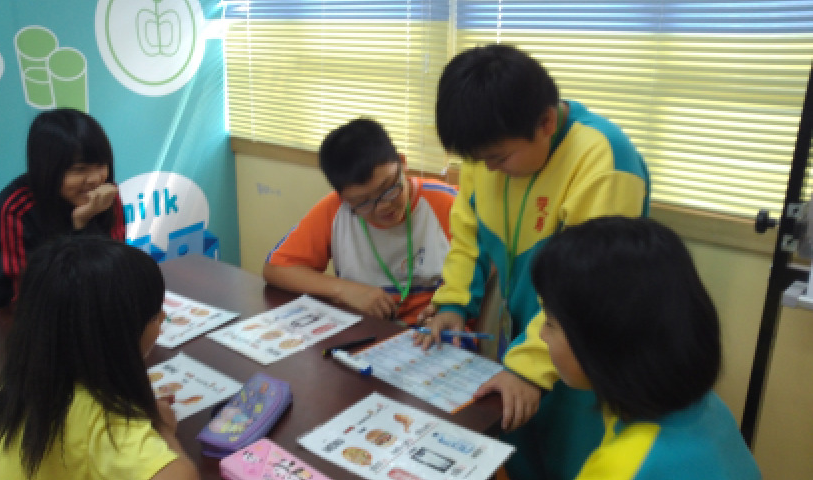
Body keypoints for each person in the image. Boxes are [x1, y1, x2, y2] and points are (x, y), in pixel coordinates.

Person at [415, 44, 650, 478]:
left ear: (545, 123)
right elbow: (468, 235)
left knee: (576, 465)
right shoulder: (491, 148)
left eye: (498, 158)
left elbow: (587, 289)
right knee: (517, 456)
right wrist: (453, 303)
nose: (487, 169)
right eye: (478, 161)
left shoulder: (602, 158)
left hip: (583, 359)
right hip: (524, 345)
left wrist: (528, 370)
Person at [531, 216, 761, 479]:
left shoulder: (620, 469)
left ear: (603, 343)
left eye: (550, 323)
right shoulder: (709, 408)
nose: (542, 334)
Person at [0, 235, 198, 480]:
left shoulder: (25, 377)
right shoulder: (105, 418)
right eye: (155, 316)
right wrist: (163, 429)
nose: (162, 320)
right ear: (117, 337)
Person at [262, 118, 457, 325]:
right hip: (369, 330)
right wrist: (343, 290)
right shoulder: (336, 210)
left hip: (437, 331)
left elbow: (479, 276)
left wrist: (452, 312)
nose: (382, 207)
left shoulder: (448, 204)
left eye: (389, 189)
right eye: (363, 202)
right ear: (343, 197)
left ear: (402, 163)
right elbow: (275, 268)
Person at [0, 108, 125, 312]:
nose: (95, 179)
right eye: (80, 170)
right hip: (17, 317)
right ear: (47, 168)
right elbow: (25, 295)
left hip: (88, 309)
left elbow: (116, 268)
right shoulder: (15, 208)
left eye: (101, 165)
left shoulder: (106, 194)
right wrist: (80, 227)